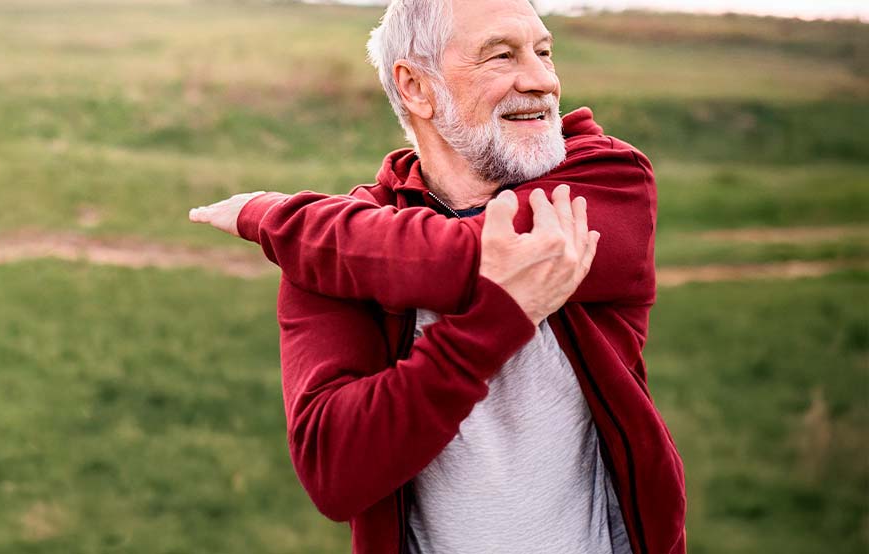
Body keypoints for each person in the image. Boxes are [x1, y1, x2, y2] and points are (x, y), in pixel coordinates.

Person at [189, 0, 686, 552]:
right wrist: (496, 322)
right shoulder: (332, 256)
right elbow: (335, 474)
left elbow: (457, 256)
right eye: (502, 56)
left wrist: (278, 217)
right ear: (416, 88)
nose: (543, 80)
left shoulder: (608, 178)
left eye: (545, 52)